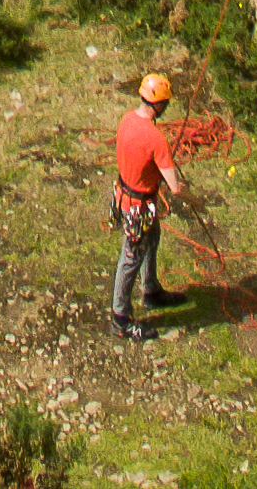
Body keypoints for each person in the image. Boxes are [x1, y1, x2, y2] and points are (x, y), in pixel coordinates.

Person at [110, 72, 188, 340]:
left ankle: (151, 290)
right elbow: (175, 187)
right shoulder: (157, 139)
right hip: (139, 206)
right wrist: (185, 190)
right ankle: (120, 317)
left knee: (152, 236)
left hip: (123, 196)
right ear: (159, 104)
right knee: (131, 257)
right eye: (165, 102)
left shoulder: (126, 121)